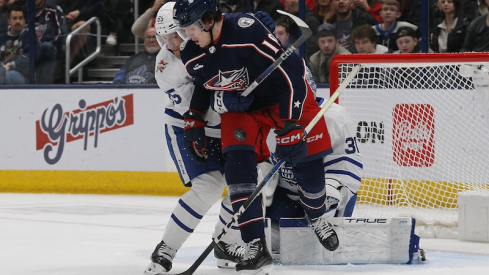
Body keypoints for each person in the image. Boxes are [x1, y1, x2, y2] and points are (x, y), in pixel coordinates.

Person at [174, 0, 339, 273]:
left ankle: (317, 215)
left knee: (306, 159)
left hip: (283, 98)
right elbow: (203, 83)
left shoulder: (245, 31)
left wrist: (289, 125)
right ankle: (255, 245)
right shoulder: (192, 51)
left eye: (191, 28)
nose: (187, 36)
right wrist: (194, 117)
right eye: (183, 30)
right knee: (237, 166)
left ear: (207, 19)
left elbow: (292, 74)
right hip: (245, 108)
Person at [143, 3, 245, 274]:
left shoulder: (207, 39)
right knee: (209, 187)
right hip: (188, 127)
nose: (172, 44)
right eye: (165, 38)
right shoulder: (165, 66)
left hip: (224, 126)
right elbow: (198, 111)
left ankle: (227, 243)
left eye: (176, 35)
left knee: (246, 183)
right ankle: (166, 248)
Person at [262, 100, 363, 253]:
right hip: (285, 197)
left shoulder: (334, 116)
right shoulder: (266, 113)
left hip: (324, 195)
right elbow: (259, 158)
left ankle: (321, 217)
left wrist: (328, 195)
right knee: (271, 240)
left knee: (322, 243)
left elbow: (346, 166)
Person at [33, 0, 64, 84]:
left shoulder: (54, 10)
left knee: (47, 47)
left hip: (48, 49)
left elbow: (60, 32)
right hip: (27, 50)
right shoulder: (22, 11)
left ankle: (46, 85)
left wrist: (41, 41)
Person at [0, 5, 28, 84]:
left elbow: (29, 59)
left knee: (7, 76)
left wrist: (9, 66)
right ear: (9, 21)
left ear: (24, 20)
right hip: (2, 71)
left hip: (22, 74)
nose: (18, 21)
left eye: (20, 18)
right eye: (14, 18)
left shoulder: (29, 37)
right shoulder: (1, 38)